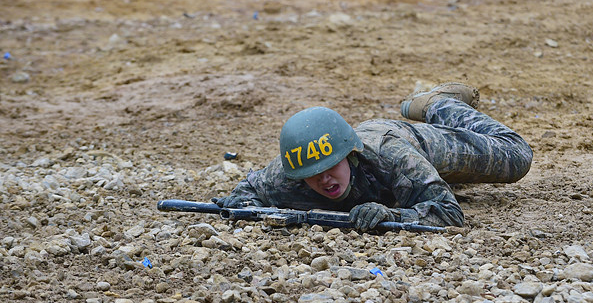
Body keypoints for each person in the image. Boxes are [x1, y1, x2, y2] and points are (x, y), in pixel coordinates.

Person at [212, 83, 533, 229]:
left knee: (516, 156)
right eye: (313, 173)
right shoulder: (289, 172)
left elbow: (448, 213)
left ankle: (438, 103)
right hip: (393, 172)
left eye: (330, 166)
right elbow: (246, 191)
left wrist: (391, 215)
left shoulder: (393, 157)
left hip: (413, 143)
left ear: (350, 155)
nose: (324, 179)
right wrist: (243, 206)